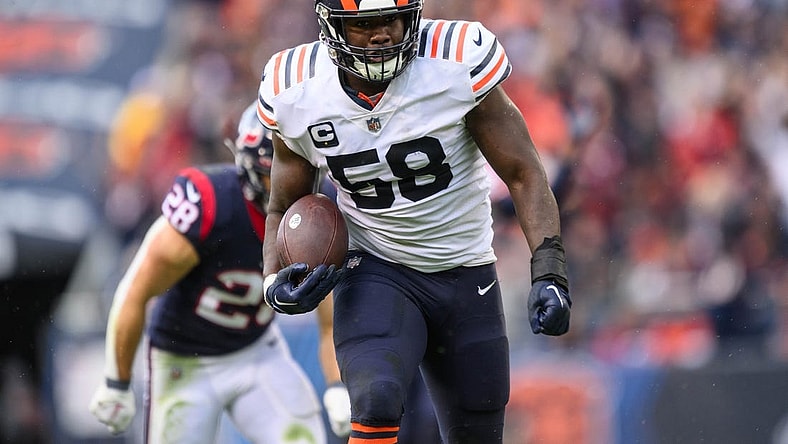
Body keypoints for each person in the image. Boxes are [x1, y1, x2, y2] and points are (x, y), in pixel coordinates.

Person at [256, 1, 572, 443]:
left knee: (477, 433)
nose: (381, 34)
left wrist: (550, 269)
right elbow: (283, 203)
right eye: (365, 24)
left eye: (391, 19)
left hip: (465, 270)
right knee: (375, 400)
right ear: (333, 27)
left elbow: (523, 172)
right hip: (374, 267)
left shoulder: (454, 62)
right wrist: (273, 281)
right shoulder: (298, 91)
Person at [88, 104, 352, 443]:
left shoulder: (314, 217)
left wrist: (335, 386)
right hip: (184, 360)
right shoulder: (212, 203)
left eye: (299, 168)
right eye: (278, 172)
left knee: (304, 439)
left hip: (256, 350)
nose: (291, 183)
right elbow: (136, 291)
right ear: (250, 169)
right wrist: (116, 380)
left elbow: (330, 317)